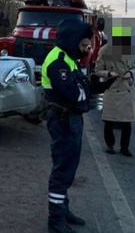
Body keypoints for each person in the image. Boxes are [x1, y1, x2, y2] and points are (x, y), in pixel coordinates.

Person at [41, 18, 96, 233]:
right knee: (62, 170)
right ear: (72, 41)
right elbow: (75, 94)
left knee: (68, 169)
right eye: (83, 45)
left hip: (70, 119)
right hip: (62, 119)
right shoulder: (57, 61)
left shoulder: (69, 59)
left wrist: (97, 86)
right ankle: (55, 220)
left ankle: (62, 210)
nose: (86, 50)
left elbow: (84, 89)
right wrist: (87, 91)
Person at [94, 38, 135, 157]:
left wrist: (131, 73)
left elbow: (134, 66)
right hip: (112, 87)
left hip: (126, 88)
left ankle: (125, 147)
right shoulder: (105, 50)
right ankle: (110, 145)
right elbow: (97, 70)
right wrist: (109, 74)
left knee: (127, 121)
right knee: (109, 119)